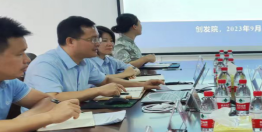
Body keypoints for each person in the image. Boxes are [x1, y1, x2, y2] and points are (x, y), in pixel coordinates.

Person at [24, 16, 163, 101]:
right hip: (44, 127)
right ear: (71, 41)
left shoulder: (84, 62)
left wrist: (142, 85)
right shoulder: (46, 64)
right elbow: (53, 97)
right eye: (93, 39)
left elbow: (105, 80)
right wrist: (97, 91)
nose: (98, 43)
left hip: (74, 117)